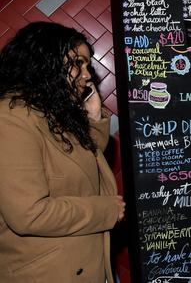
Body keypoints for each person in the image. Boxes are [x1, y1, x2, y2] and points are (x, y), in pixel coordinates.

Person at [0, 22, 126, 282]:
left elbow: (78, 166)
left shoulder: (47, 111)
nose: (87, 74)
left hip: (80, 264)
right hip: (47, 272)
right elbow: (29, 215)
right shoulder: (10, 118)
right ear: (45, 63)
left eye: (87, 65)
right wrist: (106, 211)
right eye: (78, 63)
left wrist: (92, 119)